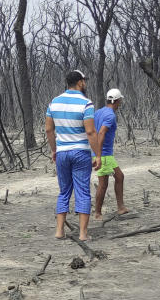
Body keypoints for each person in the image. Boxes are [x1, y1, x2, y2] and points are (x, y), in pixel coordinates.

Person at [45, 69, 101, 241]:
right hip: (81, 152)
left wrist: (54, 150)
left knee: (64, 191)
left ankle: (59, 231)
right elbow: (91, 132)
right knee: (83, 191)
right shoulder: (86, 103)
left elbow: (48, 129)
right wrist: (97, 154)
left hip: (62, 153)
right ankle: (83, 233)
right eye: (84, 81)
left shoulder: (54, 102)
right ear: (80, 82)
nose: (85, 83)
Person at [92, 88, 129, 221]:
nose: (120, 103)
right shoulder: (110, 115)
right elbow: (101, 133)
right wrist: (98, 155)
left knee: (119, 177)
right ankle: (97, 213)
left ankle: (121, 207)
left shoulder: (98, 112)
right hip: (104, 154)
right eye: (120, 101)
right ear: (117, 101)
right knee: (103, 183)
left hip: (103, 153)